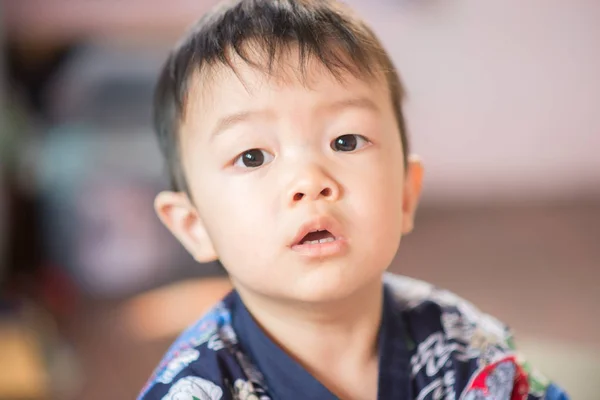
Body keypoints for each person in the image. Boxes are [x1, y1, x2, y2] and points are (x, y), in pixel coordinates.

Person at [138, 1, 569, 399]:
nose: (309, 181)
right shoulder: (192, 388)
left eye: (345, 141)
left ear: (405, 193)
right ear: (193, 226)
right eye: (252, 157)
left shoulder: (467, 347)